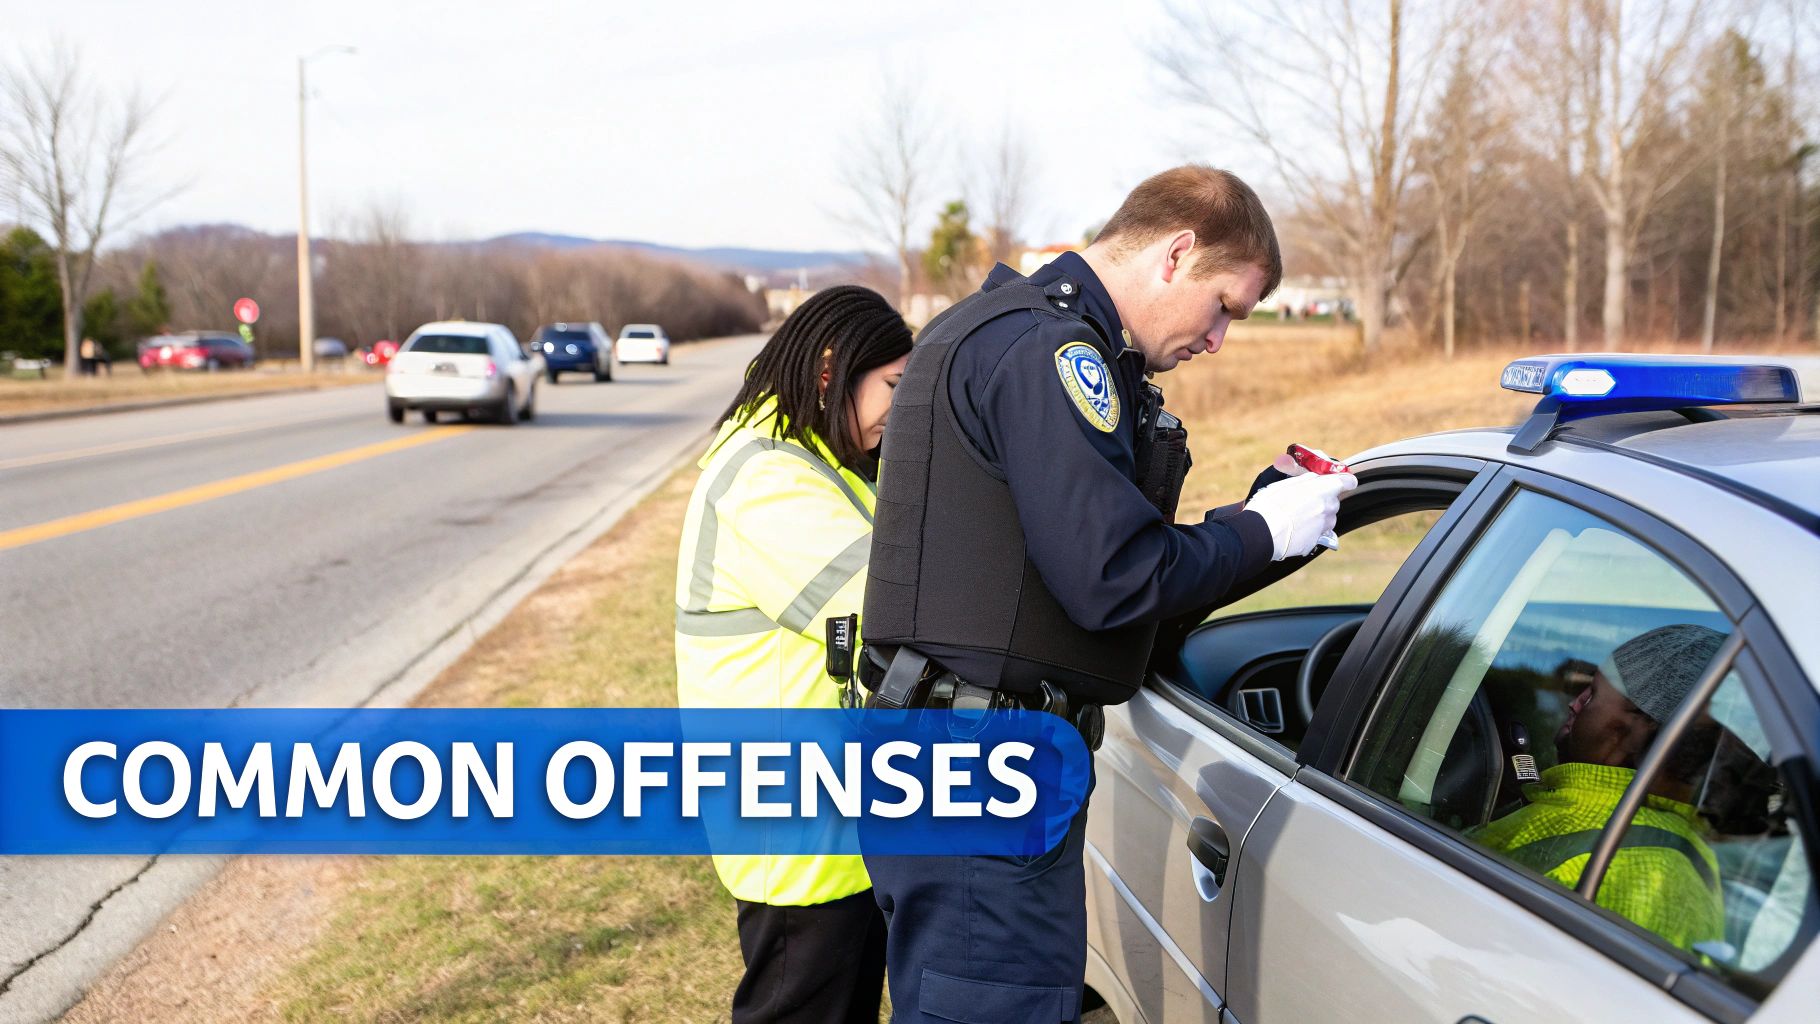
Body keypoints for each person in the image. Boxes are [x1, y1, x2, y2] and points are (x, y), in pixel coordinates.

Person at [857, 165, 1354, 1021]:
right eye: (1225, 308)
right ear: (1177, 253)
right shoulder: (1055, 353)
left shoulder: (999, 329)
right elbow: (1114, 578)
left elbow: (1062, 566)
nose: (1219, 339)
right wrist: (1267, 530)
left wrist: (1261, 525)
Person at [674, 285, 913, 1024]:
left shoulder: (817, 457)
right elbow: (891, 608)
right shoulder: (767, 481)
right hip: (798, 839)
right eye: (892, 389)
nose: (894, 416)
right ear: (830, 370)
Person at [1472, 623, 1730, 952]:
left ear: (1642, 731)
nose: (1574, 704)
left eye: (1592, 694)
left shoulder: (1572, 850)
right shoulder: (1693, 853)